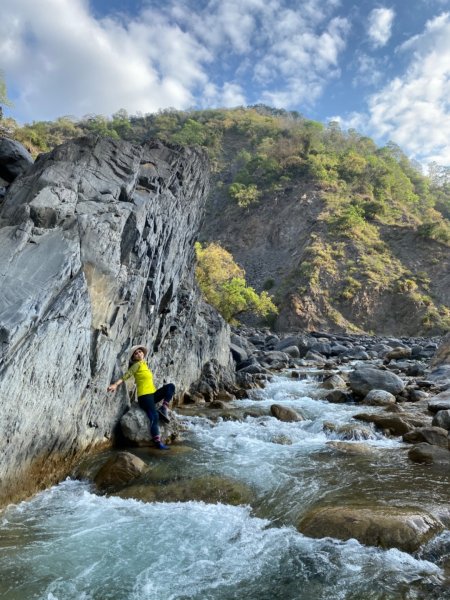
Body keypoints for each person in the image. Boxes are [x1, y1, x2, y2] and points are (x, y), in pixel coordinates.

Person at [107, 344, 175, 450]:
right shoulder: (136, 365)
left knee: (170, 387)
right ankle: (158, 442)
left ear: (143, 353)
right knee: (154, 417)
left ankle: (164, 408)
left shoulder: (145, 365)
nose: (139, 353)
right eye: (136, 353)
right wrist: (115, 384)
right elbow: (127, 375)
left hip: (152, 394)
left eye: (140, 351)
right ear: (134, 357)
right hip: (144, 396)